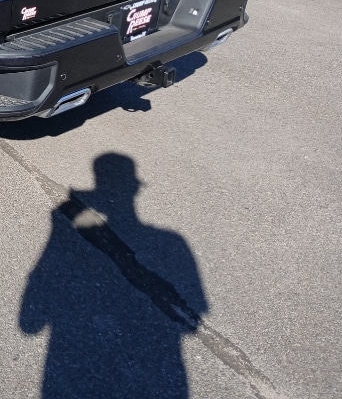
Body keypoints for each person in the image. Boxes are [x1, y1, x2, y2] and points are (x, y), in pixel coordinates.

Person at [20, 153, 208, 398]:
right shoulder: (174, 241)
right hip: (159, 372)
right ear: (134, 187)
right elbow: (191, 324)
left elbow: (29, 323)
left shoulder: (173, 241)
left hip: (66, 362)